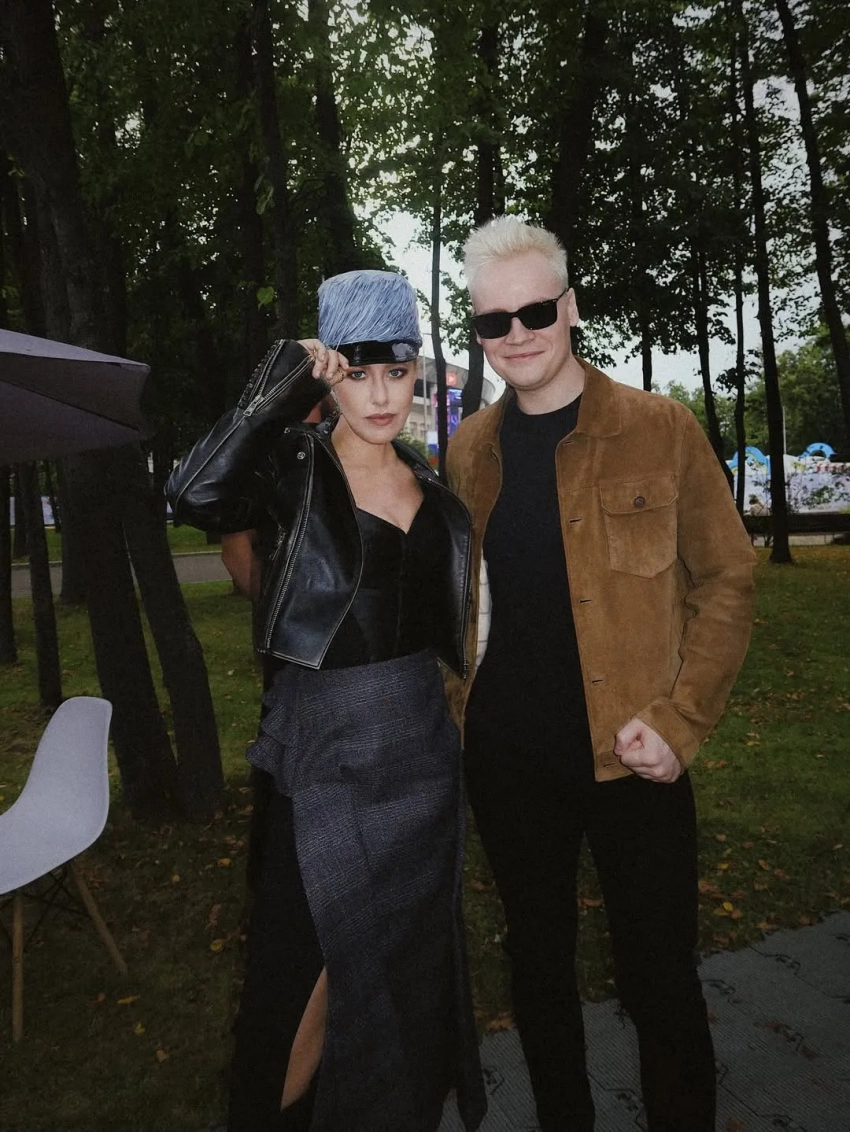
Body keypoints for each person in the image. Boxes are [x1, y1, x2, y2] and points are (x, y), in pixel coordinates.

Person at [444, 216, 756, 1132]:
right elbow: (459, 601)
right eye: (493, 322)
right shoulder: (469, 450)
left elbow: (728, 579)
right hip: (508, 761)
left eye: (535, 311)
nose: (516, 335)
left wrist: (681, 719)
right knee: (538, 971)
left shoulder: (660, 428)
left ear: (570, 307)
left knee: (659, 977)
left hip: (635, 755)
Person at [167, 269, 486, 1132]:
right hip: (324, 763)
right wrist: (279, 385)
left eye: (398, 372)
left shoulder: (433, 490)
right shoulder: (292, 472)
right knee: (295, 995)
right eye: (357, 372)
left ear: (417, 372)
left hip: (419, 765)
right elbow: (192, 493)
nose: (380, 395)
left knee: (407, 983)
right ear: (330, 374)